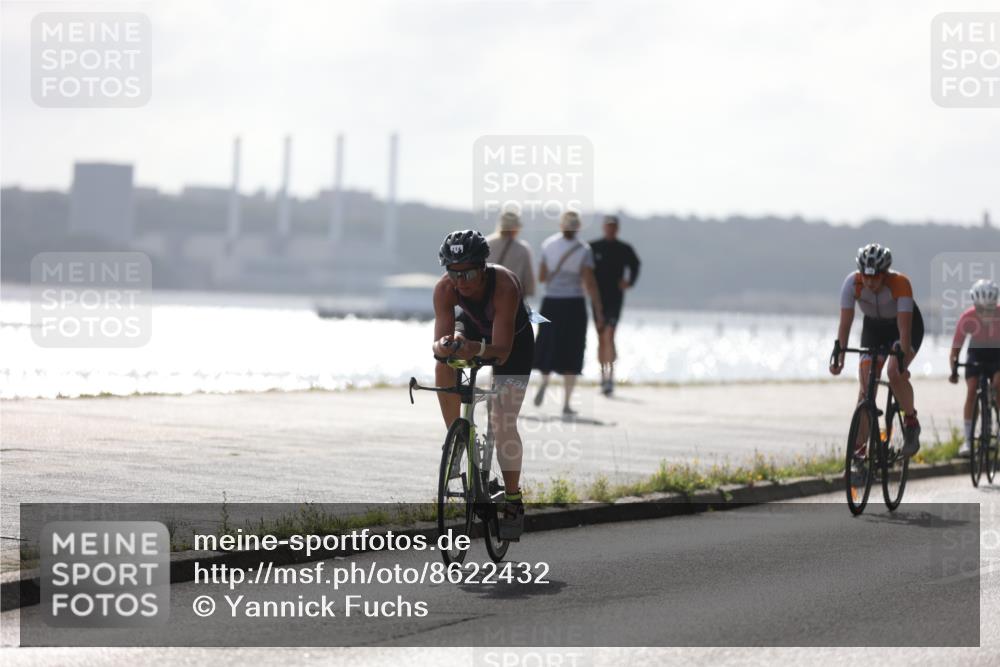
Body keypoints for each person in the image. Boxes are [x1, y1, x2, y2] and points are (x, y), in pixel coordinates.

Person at [432, 229, 535, 538]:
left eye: (469, 273)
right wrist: (447, 346)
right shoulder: (444, 289)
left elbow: (501, 352)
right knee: (442, 364)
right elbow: (439, 342)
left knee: (502, 421)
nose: (461, 281)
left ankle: (514, 501)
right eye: (454, 272)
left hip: (513, 342)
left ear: (483, 267)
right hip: (474, 329)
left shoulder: (504, 284)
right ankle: (457, 439)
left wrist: (475, 350)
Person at [830, 243, 924, 473]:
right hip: (873, 328)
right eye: (866, 277)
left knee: (894, 373)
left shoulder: (900, 284)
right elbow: (845, 323)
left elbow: (904, 332)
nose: (870, 283)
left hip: (904, 327)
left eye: (876, 278)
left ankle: (911, 421)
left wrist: (902, 362)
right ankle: (859, 453)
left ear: (885, 274)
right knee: (865, 390)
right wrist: (839, 353)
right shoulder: (852, 283)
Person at [532, 211, 604, 416]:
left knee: (547, 344)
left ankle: (544, 382)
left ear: (561, 225)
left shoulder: (548, 245)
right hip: (574, 303)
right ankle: (566, 403)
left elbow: (542, 277)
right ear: (578, 227)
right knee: (572, 349)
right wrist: (598, 308)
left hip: (551, 302)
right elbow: (589, 281)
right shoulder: (584, 249)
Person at [589, 215, 640, 396]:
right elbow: (584, 270)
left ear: (617, 229)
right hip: (597, 298)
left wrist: (629, 282)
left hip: (615, 298)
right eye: (608, 226)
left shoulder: (624, 249)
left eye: (614, 227)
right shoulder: (593, 247)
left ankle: (611, 376)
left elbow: (635, 264)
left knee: (610, 333)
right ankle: (602, 375)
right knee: (601, 336)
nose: (611, 229)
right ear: (604, 227)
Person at [948, 279, 1000, 457]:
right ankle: (968, 440)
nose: (985, 313)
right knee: (971, 390)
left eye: (990, 309)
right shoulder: (967, 317)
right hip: (976, 352)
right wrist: (953, 371)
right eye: (981, 309)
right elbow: (955, 349)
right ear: (975, 305)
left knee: (998, 385)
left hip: (997, 353)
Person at [486, 211, 536, 299]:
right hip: (512, 296)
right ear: (516, 228)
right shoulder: (522, 248)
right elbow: (528, 280)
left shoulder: (486, 243)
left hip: (489, 294)